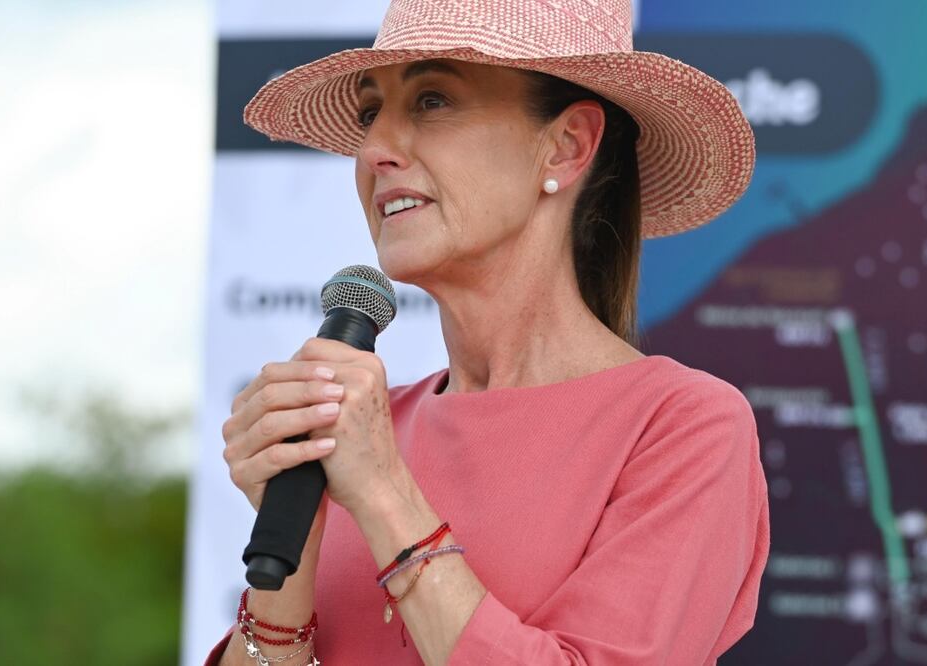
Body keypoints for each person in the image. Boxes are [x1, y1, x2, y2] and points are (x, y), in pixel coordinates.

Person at [207, 0, 769, 664]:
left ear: (567, 145)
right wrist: (290, 553)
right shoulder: (360, 430)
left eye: (433, 100)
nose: (375, 150)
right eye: (369, 114)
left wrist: (386, 495)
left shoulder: (684, 425)